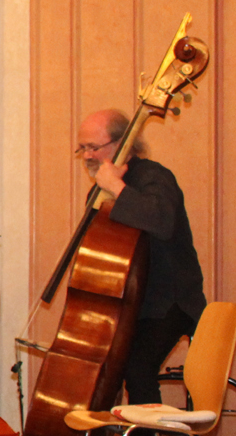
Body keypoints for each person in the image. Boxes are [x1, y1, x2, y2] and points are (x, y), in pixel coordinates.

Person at [78, 108, 206, 403]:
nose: (87, 156)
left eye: (93, 147)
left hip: (170, 301)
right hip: (127, 303)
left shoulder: (155, 177)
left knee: (136, 368)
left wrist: (117, 187)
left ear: (123, 142)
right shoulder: (97, 195)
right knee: (99, 365)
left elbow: (161, 222)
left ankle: (146, 425)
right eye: (82, 148)